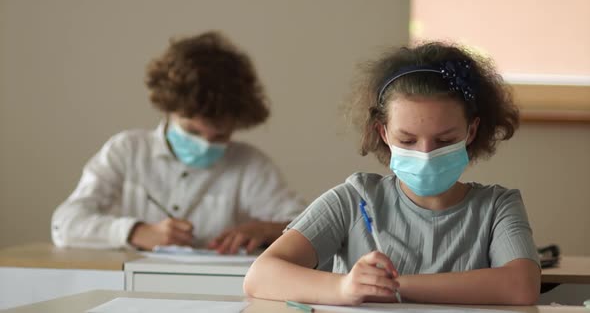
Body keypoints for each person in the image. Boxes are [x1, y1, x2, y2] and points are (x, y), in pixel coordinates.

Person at [244, 42, 540, 305]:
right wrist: (345, 287)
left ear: (471, 131)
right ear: (383, 133)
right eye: (408, 140)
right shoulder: (353, 199)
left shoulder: (498, 206)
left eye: (445, 140)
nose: (425, 154)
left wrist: (392, 286)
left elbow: (521, 286)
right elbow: (260, 276)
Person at [51, 31, 306, 254]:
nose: (206, 144)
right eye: (193, 131)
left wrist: (265, 230)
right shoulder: (127, 151)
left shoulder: (250, 165)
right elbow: (65, 224)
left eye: (219, 136)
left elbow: (308, 225)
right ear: (168, 109)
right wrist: (135, 232)